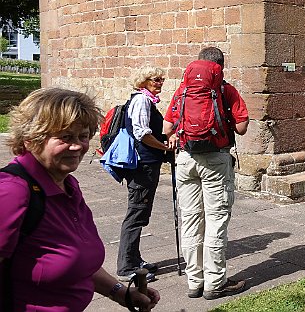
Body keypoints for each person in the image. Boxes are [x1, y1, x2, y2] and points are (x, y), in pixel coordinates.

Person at [0, 88, 160, 311]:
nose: (77, 146)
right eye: (65, 137)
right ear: (30, 138)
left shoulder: (67, 185)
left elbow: (79, 262)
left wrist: (121, 293)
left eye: (83, 136)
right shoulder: (12, 192)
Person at [164, 47, 250, 300]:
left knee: (191, 221)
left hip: (186, 159)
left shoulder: (183, 91)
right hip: (215, 160)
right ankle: (215, 283)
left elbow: (167, 127)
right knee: (215, 220)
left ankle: (195, 281)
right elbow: (243, 128)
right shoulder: (226, 90)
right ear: (220, 67)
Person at [117, 67, 174, 282]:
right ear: (144, 81)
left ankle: (134, 258)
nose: (160, 83)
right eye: (156, 79)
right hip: (142, 166)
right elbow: (142, 133)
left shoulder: (146, 100)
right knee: (136, 213)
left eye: (162, 79)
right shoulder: (141, 100)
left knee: (140, 213)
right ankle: (126, 267)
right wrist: (164, 147)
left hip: (147, 164)